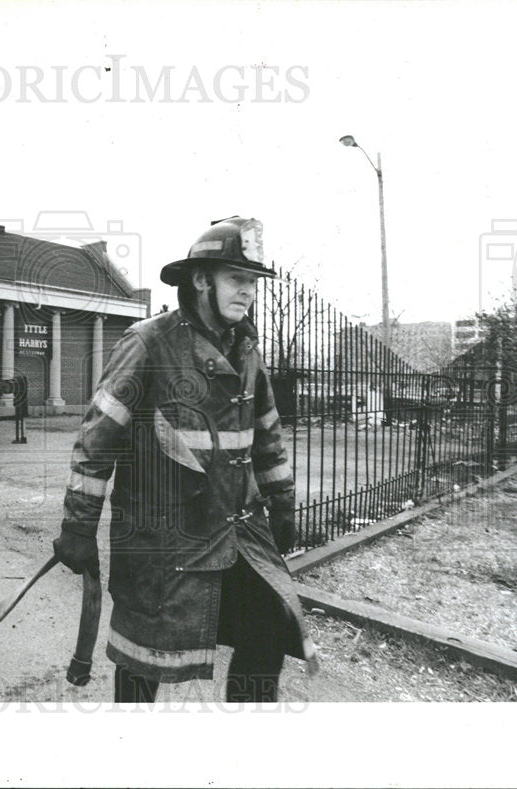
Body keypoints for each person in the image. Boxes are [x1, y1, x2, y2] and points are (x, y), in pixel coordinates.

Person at [53, 216, 318, 703]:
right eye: (237, 279)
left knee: (268, 627)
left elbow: (267, 434)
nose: (249, 292)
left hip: (236, 536)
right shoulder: (148, 343)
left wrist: (281, 504)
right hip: (161, 544)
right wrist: (78, 526)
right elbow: (96, 441)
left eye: (254, 282)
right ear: (201, 279)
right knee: (142, 657)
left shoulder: (246, 349)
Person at [12, 372, 29, 444]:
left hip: (21, 407)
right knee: (22, 421)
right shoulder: (23, 388)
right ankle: (22, 436)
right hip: (22, 407)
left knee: (21, 421)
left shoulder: (20, 388)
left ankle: (22, 437)